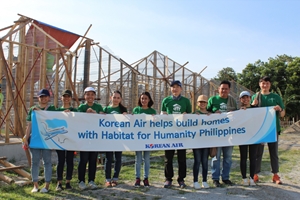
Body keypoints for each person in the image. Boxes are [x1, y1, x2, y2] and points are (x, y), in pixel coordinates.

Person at [251, 76, 285, 184]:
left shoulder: (275, 97)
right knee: (258, 153)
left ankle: (275, 175)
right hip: (260, 129)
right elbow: (251, 114)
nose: (265, 85)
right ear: (259, 84)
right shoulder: (255, 96)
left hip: (273, 129)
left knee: (273, 152)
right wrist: (253, 105)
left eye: (267, 83)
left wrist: (280, 109)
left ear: (270, 84)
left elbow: (283, 114)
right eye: (263, 83)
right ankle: (255, 174)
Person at [23, 88, 56, 193]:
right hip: (35, 139)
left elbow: (55, 121)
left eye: (45, 96)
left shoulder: (52, 109)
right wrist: (26, 139)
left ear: (48, 98)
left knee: (47, 162)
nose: (43, 98)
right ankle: (35, 185)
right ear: (38, 98)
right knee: (35, 162)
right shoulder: (33, 109)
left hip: (47, 139)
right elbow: (29, 125)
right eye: (41, 96)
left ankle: (46, 186)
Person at [161, 80, 192, 188]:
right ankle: (168, 179)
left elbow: (190, 116)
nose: (175, 89)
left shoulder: (186, 101)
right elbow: (163, 114)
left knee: (182, 158)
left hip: (181, 134)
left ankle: (181, 179)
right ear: (170, 89)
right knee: (168, 158)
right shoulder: (166, 101)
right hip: (169, 134)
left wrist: (186, 115)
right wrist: (163, 114)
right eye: (173, 87)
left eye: (177, 87)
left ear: (181, 89)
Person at [207, 80, 237, 187]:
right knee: (216, 156)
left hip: (229, 133)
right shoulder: (212, 100)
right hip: (216, 133)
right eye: (222, 88)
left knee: (228, 157)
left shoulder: (232, 101)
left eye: (226, 89)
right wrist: (213, 114)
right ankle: (215, 178)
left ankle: (225, 177)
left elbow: (238, 115)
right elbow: (205, 113)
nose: (224, 90)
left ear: (229, 90)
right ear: (218, 89)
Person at [77, 86, 104, 190]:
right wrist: (85, 114)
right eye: (88, 94)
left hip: (95, 138)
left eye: (92, 94)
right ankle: (81, 181)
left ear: (95, 96)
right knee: (83, 160)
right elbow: (78, 118)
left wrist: (96, 114)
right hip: (84, 137)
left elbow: (102, 118)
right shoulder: (81, 107)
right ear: (84, 96)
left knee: (93, 160)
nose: (90, 96)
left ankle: (91, 180)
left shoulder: (99, 107)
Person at [132, 92, 156, 187]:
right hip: (138, 138)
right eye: (142, 98)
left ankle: (146, 178)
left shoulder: (152, 111)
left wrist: (155, 120)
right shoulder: (136, 110)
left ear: (149, 100)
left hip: (148, 138)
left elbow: (156, 125)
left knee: (146, 159)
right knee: (138, 159)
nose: (144, 100)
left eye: (146, 98)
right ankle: (137, 178)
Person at [104, 90, 127, 187]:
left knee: (118, 158)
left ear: (120, 99)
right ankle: (108, 179)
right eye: (114, 97)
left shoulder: (123, 110)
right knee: (108, 159)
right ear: (111, 98)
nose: (116, 99)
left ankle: (115, 178)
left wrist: (128, 116)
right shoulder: (106, 109)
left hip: (119, 138)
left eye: (118, 98)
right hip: (108, 137)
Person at [55, 89, 77, 191]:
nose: (66, 98)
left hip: (70, 140)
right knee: (60, 161)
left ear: (71, 98)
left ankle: (68, 182)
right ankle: (59, 182)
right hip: (60, 140)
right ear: (61, 98)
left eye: (68, 96)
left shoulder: (75, 111)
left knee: (69, 161)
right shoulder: (56, 111)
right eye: (64, 96)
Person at [238, 91, 259, 186]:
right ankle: (244, 178)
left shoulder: (256, 109)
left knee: (253, 158)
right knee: (243, 157)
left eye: (247, 98)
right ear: (240, 99)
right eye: (243, 98)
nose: (245, 99)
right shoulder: (238, 110)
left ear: (250, 98)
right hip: (242, 137)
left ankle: (251, 178)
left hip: (254, 136)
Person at [193, 95, 210, 189]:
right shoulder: (194, 114)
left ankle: (204, 180)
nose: (202, 104)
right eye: (201, 102)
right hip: (196, 141)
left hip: (206, 141)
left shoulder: (210, 114)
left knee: (205, 161)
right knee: (197, 161)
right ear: (197, 103)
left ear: (207, 103)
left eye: (204, 102)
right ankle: (195, 181)